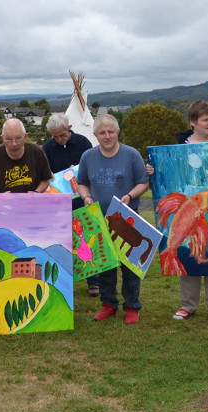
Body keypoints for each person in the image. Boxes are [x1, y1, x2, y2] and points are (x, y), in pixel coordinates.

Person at [147, 100, 208, 327]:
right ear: (193, 122)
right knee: (189, 255)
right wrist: (153, 170)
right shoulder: (178, 146)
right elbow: (167, 176)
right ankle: (188, 305)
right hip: (186, 208)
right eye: (206, 120)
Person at [77, 114, 149, 324]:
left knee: (129, 265)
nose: (107, 136)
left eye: (110, 132)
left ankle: (132, 306)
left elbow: (143, 183)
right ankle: (109, 305)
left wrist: (129, 196)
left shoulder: (132, 154)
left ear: (118, 132)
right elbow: (81, 182)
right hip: (99, 220)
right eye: (102, 132)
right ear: (95, 134)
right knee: (105, 265)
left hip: (128, 219)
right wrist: (87, 197)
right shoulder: (88, 157)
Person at [42, 114, 100, 297]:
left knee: (86, 239)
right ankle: (63, 281)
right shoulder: (47, 148)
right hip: (58, 201)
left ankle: (94, 281)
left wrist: (79, 170)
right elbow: (43, 173)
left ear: (70, 128)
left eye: (63, 135)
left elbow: (93, 167)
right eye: (55, 136)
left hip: (82, 199)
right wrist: (49, 175)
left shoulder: (83, 143)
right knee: (61, 241)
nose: (59, 139)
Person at [0, 118, 52, 194]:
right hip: (4, 205)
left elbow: (46, 179)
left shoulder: (37, 152)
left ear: (25, 137)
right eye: (9, 139)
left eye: (18, 138)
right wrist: (0, 197)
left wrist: (36, 192)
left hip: (32, 204)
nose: (14, 144)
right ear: (2, 139)